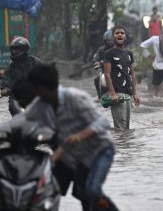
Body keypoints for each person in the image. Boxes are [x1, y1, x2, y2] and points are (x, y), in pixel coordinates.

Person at [25, 64, 119, 211]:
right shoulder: (40, 105)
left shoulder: (75, 97)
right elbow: (21, 122)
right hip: (73, 155)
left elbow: (102, 122)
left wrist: (80, 136)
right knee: (48, 188)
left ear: (42, 89)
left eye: (34, 89)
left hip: (100, 151)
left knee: (92, 191)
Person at [104, 25, 140, 129]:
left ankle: (125, 145)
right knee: (120, 127)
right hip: (117, 94)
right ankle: (120, 145)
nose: (119, 34)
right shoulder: (109, 53)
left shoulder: (129, 53)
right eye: (117, 33)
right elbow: (107, 74)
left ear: (125, 37)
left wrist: (135, 94)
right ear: (113, 37)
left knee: (126, 128)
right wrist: (113, 94)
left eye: (122, 33)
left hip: (127, 94)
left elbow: (132, 73)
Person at [0, 36, 43, 116]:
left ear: (24, 49)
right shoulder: (11, 66)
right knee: (13, 105)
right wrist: (4, 89)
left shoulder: (35, 62)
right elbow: (5, 80)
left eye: (16, 49)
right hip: (17, 98)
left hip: (34, 96)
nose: (13, 51)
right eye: (12, 49)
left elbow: (46, 74)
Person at [92, 30, 115, 99]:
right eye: (108, 40)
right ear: (105, 41)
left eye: (112, 40)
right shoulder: (101, 50)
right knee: (96, 80)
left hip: (117, 72)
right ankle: (100, 96)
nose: (110, 42)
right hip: (105, 73)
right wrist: (96, 63)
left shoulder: (119, 48)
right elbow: (95, 60)